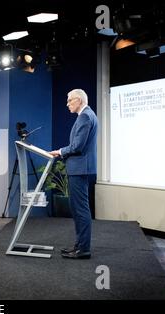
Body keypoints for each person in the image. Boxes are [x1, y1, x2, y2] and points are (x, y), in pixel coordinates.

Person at [49, 89, 98, 260]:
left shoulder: (85, 116)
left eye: (70, 100)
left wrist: (60, 151)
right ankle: (79, 245)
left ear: (79, 100)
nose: (67, 104)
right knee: (78, 209)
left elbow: (77, 146)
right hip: (79, 168)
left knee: (81, 210)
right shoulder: (88, 115)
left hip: (79, 169)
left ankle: (83, 249)